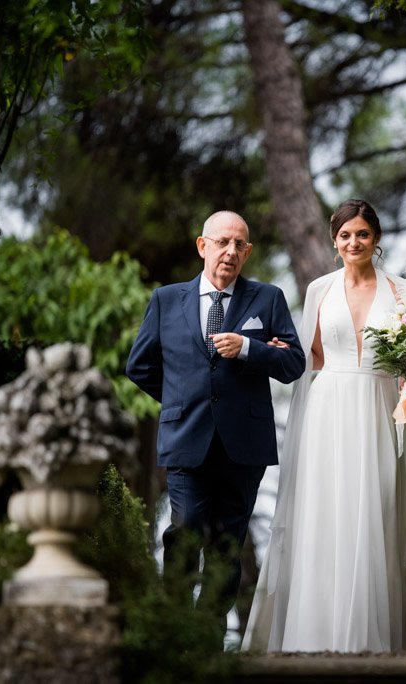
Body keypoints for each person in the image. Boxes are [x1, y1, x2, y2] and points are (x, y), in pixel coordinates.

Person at [242, 199, 406, 653]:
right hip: (328, 409)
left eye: (362, 234)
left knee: (378, 512)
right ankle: (316, 636)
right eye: (345, 235)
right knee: (326, 515)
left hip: (381, 408)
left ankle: (375, 639)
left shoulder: (404, 292)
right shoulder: (318, 290)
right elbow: (312, 359)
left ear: (377, 239)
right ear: (334, 241)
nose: (354, 243)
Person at [126, 210, 305, 646]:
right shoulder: (167, 300)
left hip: (244, 446)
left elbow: (293, 363)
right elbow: (140, 366)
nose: (231, 252)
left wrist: (249, 348)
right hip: (186, 440)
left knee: (228, 547)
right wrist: (183, 401)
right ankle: (173, 632)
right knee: (184, 534)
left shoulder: (268, 298)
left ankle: (205, 641)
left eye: (239, 244)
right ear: (202, 246)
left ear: (247, 252)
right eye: (222, 242)